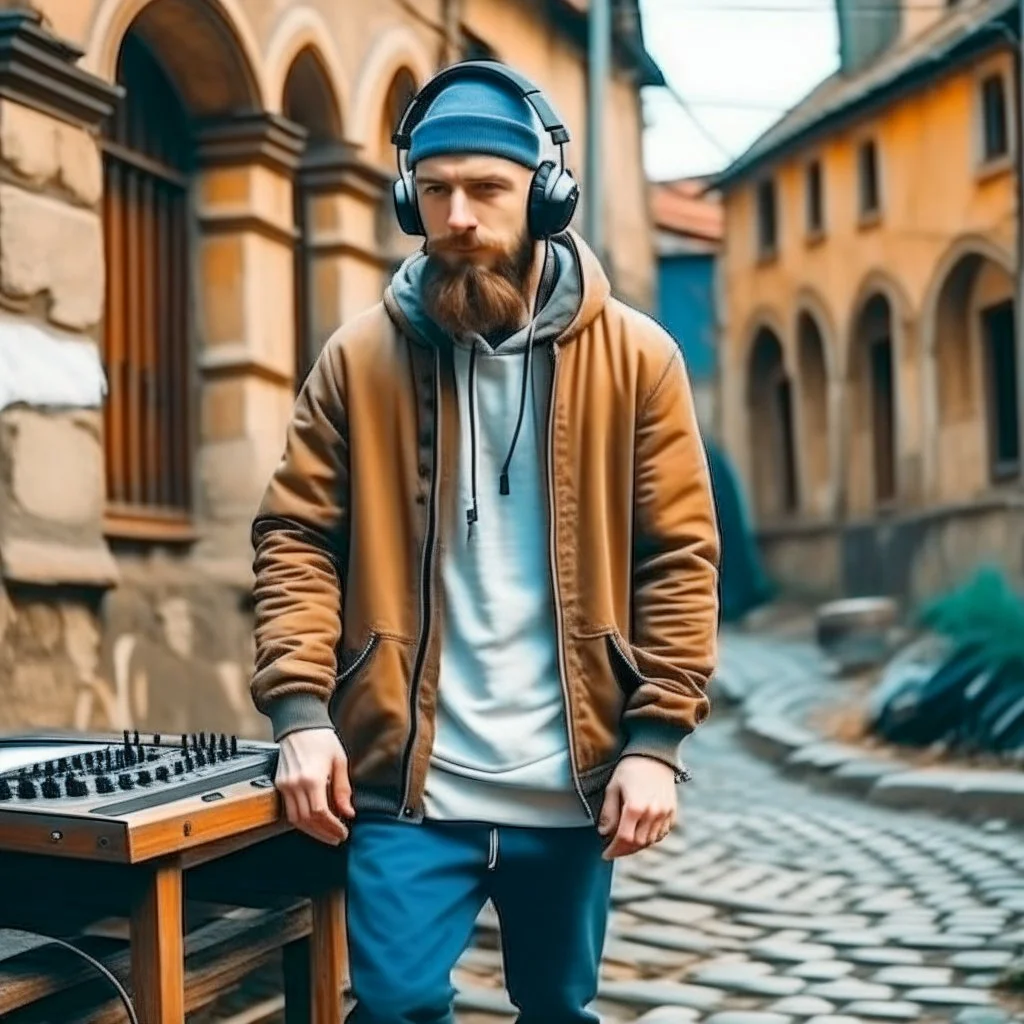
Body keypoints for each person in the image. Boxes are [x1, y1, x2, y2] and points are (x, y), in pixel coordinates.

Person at [250, 60, 720, 1024]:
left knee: (558, 1007)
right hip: (407, 790)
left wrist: (657, 740)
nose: (458, 215)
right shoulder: (356, 360)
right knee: (396, 1005)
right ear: (407, 200)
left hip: (574, 789)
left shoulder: (641, 361)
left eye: (488, 189)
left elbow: (678, 558)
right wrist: (302, 713)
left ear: (545, 198)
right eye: (435, 192)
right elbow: (295, 536)